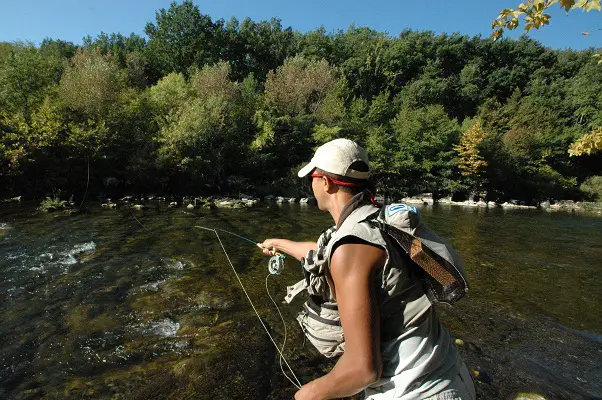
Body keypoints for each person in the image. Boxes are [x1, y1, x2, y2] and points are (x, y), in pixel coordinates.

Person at [259, 138, 476, 400]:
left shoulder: (351, 249)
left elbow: (363, 371)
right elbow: (327, 255)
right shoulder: (381, 221)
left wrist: (305, 395)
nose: (311, 185)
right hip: (453, 376)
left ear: (325, 182)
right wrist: (279, 244)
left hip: (413, 393)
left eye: (313, 178)